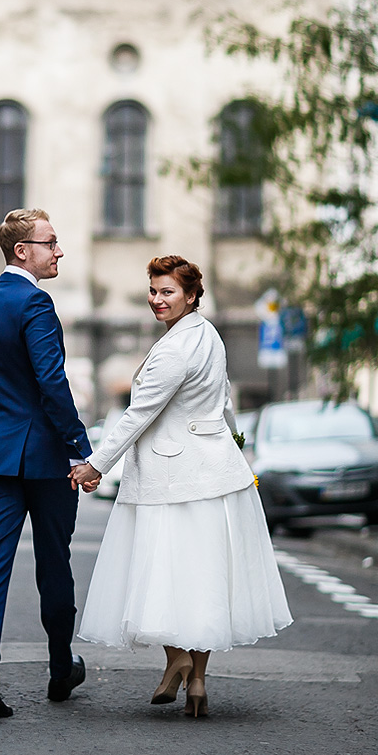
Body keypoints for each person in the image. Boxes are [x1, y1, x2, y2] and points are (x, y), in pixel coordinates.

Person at [72, 255, 292, 717]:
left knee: (164, 574)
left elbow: (139, 413)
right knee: (202, 578)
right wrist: (235, 448)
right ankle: (197, 682)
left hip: (171, 478)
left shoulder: (174, 349)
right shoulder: (208, 335)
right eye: (153, 291)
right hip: (213, 473)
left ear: (191, 296)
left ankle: (177, 660)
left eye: (167, 291)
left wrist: (96, 465)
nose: (157, 299)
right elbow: (224, 401)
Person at [0, 208, 94, 720]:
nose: (59, 251)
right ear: (23, 251)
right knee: (54, 562)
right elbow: (51, 382)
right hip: (45, 456)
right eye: (50, 242)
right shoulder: (36, 302)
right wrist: (81, 446)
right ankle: (61, 667)